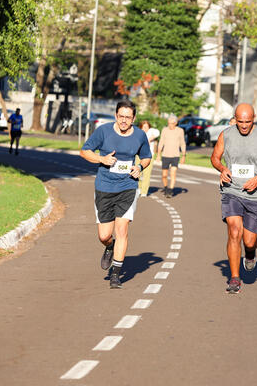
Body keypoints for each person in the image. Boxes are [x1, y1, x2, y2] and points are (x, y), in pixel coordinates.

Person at [79, 100, 152, 289]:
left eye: (128, 117)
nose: (124, 121)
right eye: (121, 116)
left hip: (127, 187)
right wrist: (102, 158)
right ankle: (109, 247)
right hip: (104, 186)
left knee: (122, 231)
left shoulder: (139, 135)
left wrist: (139, 167)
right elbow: (84, 151)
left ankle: (116, 274)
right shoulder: (103, 132)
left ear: (133, 118)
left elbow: (146, 157)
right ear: (116, 116)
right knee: (104, 235)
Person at [210, 103, 257, 294]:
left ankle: (250, 253)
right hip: (231, 190)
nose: (243, 125)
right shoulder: (226, 134)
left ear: (254, 118)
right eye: (240, 121)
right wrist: (222, 169)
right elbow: (215, 157)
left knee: (249, 241)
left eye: (247, 122)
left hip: (255, 194)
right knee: (234, 232)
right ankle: (234, 278)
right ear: (235, 118)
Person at [157, 115, 186, 198]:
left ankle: (170, 190)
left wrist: (183, 155)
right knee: (164, 175)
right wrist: (158, 155)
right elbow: (161, 142)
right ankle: (166, 187)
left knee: (173, 173)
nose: (170, 125)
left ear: (176, 123)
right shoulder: (164, 130)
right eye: (169, 123)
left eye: (172, 123)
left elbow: (182, 143)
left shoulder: (180, 131)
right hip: (165, 155)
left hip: (175, 155)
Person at [138, 120, 160, 197]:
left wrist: (151, 138)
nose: (145, 128)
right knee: (138, 173)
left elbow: (157, 132)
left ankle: (144, 191)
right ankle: (139, 189)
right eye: (144, 127)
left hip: (149, 155)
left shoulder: (151, 132)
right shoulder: (139, 133)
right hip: (139, 155)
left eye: (147, 127)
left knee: (147, 174)